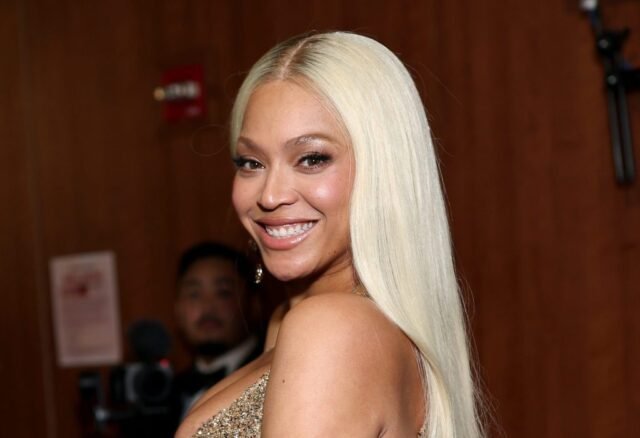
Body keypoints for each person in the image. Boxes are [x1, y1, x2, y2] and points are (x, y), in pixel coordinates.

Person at [177, 31, 484, 438]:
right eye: (251, 162)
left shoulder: (330, 330)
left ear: (384, 172)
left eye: (312, 159)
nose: (269, 195)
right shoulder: (294, 322)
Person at [171, 241, 263, 424]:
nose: (207, 307)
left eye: (223, 293)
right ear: (177, 309)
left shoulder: (274, 377)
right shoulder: (165, 391)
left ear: (254, 304)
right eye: (194, 294)